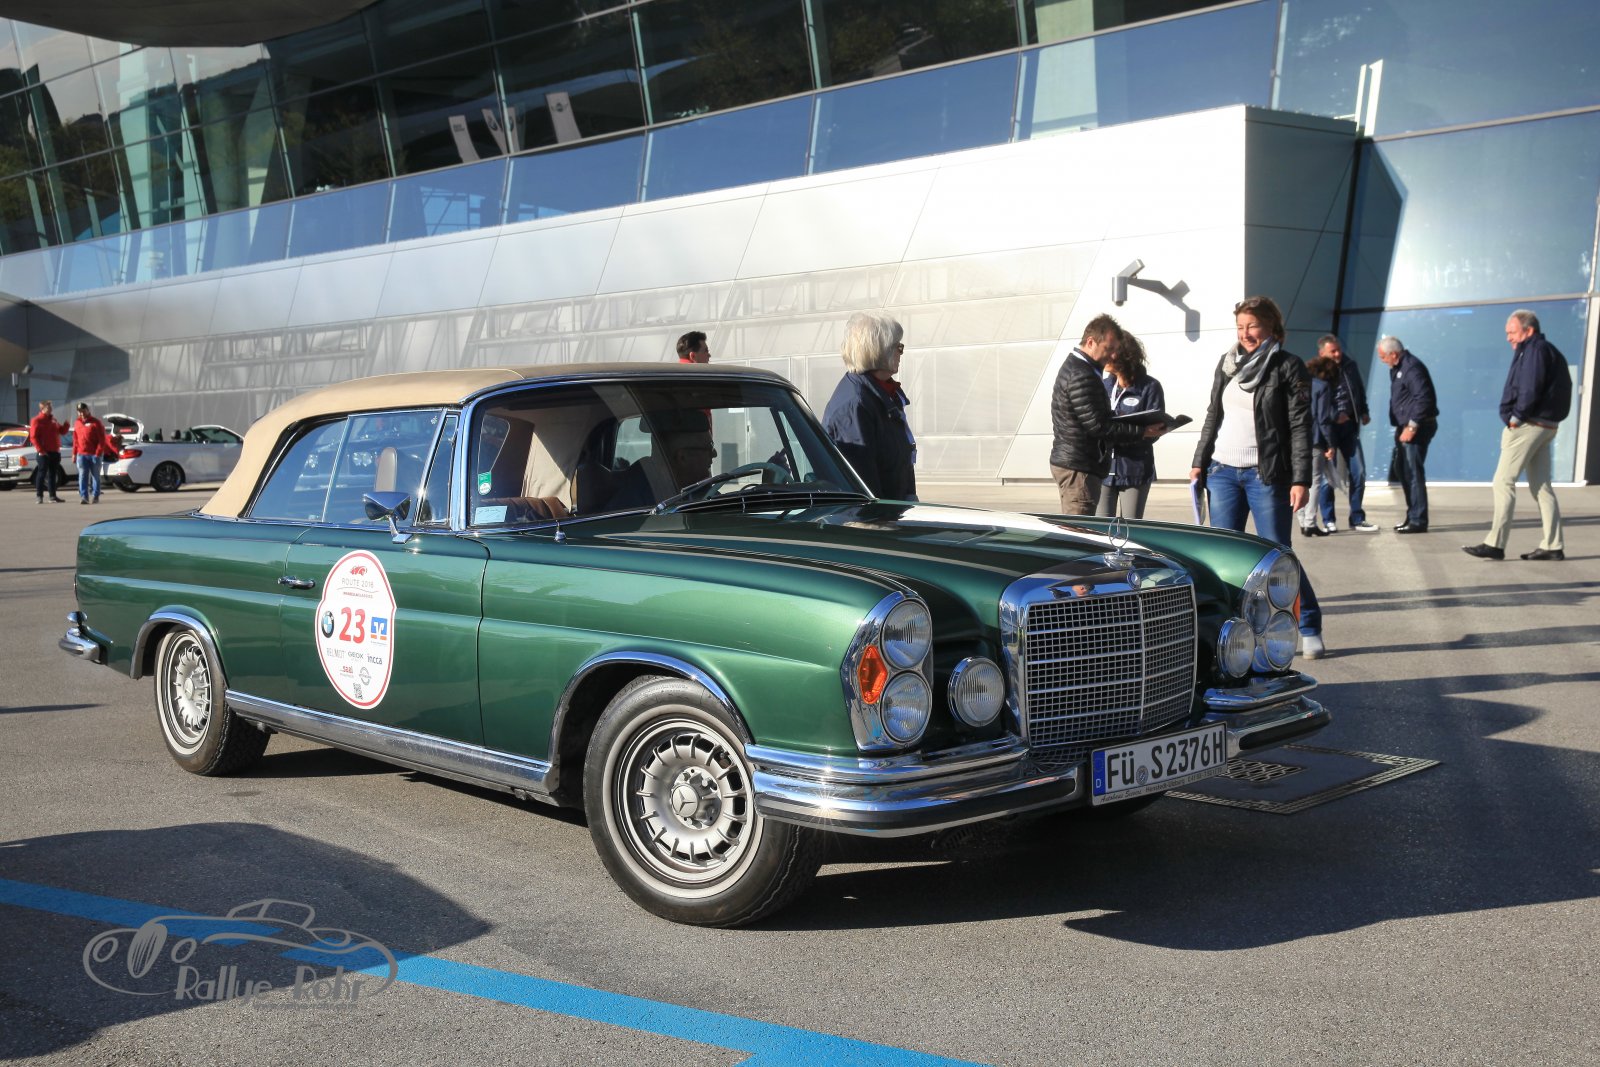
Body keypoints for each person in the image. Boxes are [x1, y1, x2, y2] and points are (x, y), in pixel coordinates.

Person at [1190, 295, 1325, 659]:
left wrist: (1301, 479)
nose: (1245, 333)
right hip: (1222, 472)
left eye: (1252, 326)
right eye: (1240, 326)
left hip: (1266, 475)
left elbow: (1300, 425)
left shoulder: (1288, 366)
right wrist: (1199, 461)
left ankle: (1309, 625)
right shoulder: (1227, 364)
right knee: (1224, 556)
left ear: (1271, 327)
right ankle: (1229, 634)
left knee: (1278, 554)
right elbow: (1213, 415)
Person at [1464, 309, 1571, 561]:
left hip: (1530, 424)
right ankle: (1553, 545)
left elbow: (1529, 387)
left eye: (1512, 332)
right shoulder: (1547, 350)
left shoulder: (1534, 350)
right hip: (1547, 426)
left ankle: (1495, 544)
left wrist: (1516, 417)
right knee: (1541, 486)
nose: (1508, 338)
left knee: (1503, 481)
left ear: (1528, 330)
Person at [1050, 314, 1165, 514]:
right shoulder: (1082, 374)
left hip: (1112, 466)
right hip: (1080, 465)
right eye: (1109, 349)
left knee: (1086, 525)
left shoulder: (1083, 370)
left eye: (1115, 351)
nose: (1112, 356)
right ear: (1091, 342)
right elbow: (1098, 426)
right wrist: (1141, 432)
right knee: (1081, 528)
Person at [823, 310, 916, 500]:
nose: (901, 353)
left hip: (892, 511)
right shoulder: (855, 405)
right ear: (879, 350)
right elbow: (862, 488)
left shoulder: (882, 394)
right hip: (874, 515)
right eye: (898, 347)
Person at [1307, 334, 1375, 532]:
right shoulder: (1316, 371)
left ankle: (1357, 518)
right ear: (1322, 353)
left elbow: (1358, 390)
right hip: (1328, 430)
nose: (1338, 354)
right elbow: (1317, 403)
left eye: (1339, 350)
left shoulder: (1350, 366)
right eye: (1333, 351)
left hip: (1350, 427)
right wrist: (1335, 415)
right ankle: (1328, 519)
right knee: (1328, 477)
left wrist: (1363, 411)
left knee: (1358, 472)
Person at [1094, 330, 1164, 519]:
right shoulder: (1102, 385)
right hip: (1103, 468)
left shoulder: (1149, 387)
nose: (1104, 355)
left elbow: (1155, 431)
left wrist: (1125, 433)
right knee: (1101, 529)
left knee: (1130, 528)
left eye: (1110, 350)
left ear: (1123, 355)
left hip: (1135, 469)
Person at [1377, 336, 1438, 533]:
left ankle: (1418, 520)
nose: (1382, 360)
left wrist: (1412, 427)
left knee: (1412, 472)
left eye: (1383, 356)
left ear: (1393, 354)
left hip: (1417, 427)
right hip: (1404, 427)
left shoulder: (1412, 368)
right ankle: (1412, 515)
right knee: (1402, 469)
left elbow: (1424, 398)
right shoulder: (1398, 368)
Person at [1297, 352, 1339, 537]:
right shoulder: (1323, 387)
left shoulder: (1299, 385)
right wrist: (1331, 443)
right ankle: (1310, 522)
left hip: (1296, 440)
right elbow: (1323, 419)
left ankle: (1301, 520)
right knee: (1314, 481)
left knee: (1298, 480)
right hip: (1314, 440)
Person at [27, 399, 68, 503]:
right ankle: (39, 496)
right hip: (44, 452)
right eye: (48, 407)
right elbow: (33, 437)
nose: (50, 409)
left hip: (55, 451)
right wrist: (41, 450)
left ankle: (52, 496)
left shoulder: (53, 420)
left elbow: (62, 431)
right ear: (42, 408)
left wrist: (66, 424)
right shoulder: (36, 420)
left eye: (51, 407)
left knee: (53, 474)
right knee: (41, 474)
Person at [72, 402, 112, 504]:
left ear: (88, 410)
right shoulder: (77, 423)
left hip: (94, 455)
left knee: (95, 476)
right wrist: (74, 453)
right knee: (82, 476)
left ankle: (95, 495)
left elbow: (102, 440)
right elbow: (75, 439)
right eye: (79, 412)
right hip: (81, 454)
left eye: (83, 411)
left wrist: (98, 453)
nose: (81, 413)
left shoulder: (96, 423)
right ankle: (84, 497)